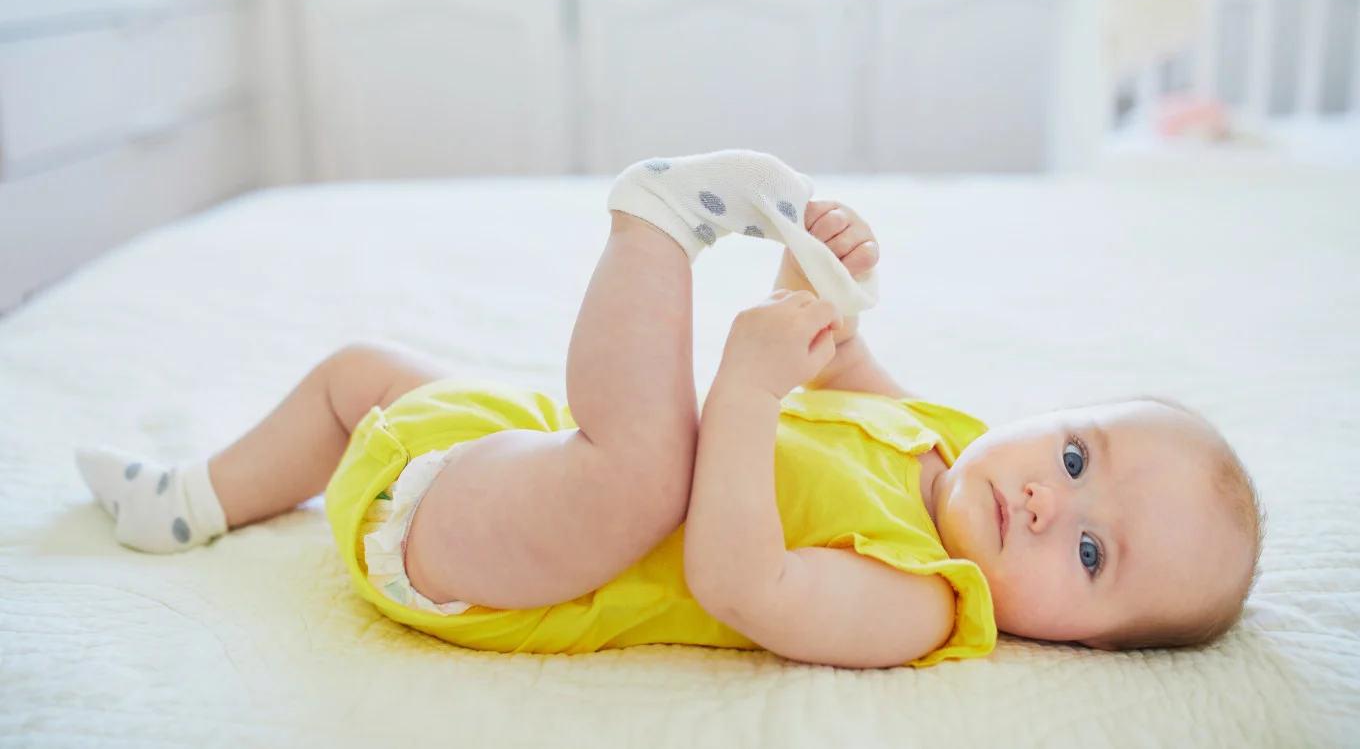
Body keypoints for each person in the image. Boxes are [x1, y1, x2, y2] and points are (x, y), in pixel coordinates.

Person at [75, 151, 1264, 668]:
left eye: (1095, 550)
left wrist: (747, 385)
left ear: (1082, 642)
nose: (1049, 504)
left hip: (532, 556)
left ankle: (654, 215)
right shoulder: (943, 440)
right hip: (532, 456)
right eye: (1073, 454)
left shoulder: (925, 601)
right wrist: (821, 279)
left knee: (651, 466)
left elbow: (742, 581)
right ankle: (197, 499)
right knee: (363, 375)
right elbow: (837, 364)